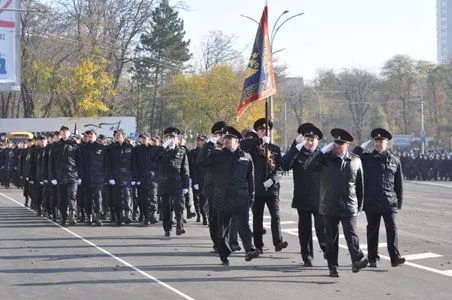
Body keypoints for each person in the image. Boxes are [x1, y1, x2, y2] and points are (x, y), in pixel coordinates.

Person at [305, 128, 368, 277]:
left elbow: (360, 186)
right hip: (329, 205)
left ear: (347, 145)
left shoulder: (355, 160)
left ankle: (357, 260)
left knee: (351, 235)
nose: (338, 146)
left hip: (349, 205)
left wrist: (359, 206)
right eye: (336, 143)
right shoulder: (325, 159)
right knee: (331, 239)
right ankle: (332, 267)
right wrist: (321, 152)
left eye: (341, 143)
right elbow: (308, 166)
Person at [198, 126, 260, 266]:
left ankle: (249, 249)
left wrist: (251, 197)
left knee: (244, 226)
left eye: (229, 138)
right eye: (225, 138)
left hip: (241, 197)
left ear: (237, 141)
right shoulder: (216, 155)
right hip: (223, 198)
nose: (226, 140)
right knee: (223, 229)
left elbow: (251, 179)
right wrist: (209, 143)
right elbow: (201, 162)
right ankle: (224, 255)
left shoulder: (246, 157)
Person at [354, 128, 406, 268]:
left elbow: (399, 184)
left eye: (381, 141)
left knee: (392, 230)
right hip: (371, 201)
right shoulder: (366, 158)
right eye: (376, 141)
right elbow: (353, 156)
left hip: (389, 202)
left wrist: (398, 203)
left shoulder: (395, 160)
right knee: (372, 230)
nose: (378, 143)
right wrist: (361, 146)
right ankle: (372, 258)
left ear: (387, 143)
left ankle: (395, 257)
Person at [240, 118, 288, 254]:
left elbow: (281, 169)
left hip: (272, 189)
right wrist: (260, 141)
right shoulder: (253, 148)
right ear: (257, 132)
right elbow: (242, 144)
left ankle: (278, 242)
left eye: (267, 130)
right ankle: (258, 245)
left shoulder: (275, 149)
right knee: (257, 218)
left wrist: (273, 180)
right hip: (258, 188)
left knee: (276, 216)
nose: (264, 132)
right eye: (261, 130)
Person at [281, 123, 326, 266]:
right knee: (304, 231)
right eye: (307, 139)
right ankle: (307, 257)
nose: (310, 142)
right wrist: (296, 147)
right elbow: (284, 165)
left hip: (320, 199)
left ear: (317, 141)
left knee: (322, 229)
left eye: (313, 140)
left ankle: (327, 251)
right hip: (303, 198)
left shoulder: (323, 155)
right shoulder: (297, 154)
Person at [156, 127, 190, 237]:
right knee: (166, 208)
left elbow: (185, 169)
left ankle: (180, 227)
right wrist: (163, 146)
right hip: (164, 183)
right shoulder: (161, 151)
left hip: (177, 183)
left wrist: (186, 185)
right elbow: (152, 158)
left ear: (177, 138)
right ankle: (167, 228)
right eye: (169, 137)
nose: (171, 139)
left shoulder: (182, 151)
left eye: (173, 137)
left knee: (179, 206)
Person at [49, 126, 82, 226]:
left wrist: (80, 175)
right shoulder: (56, 145)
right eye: (62, 132)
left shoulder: (75, 144)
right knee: (62, 198)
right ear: (60, 133)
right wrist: (53, 177)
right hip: (60, 176)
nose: (64, 133)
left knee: (72, 195)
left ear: (69, 133)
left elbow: (80, 161)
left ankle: (72, 215)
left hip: (73, 175)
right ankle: (63, 217)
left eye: (66, 132)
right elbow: (52, 163)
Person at [105, 129, 136, 225]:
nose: (117, 137)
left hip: (127, 177)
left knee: (127, 197)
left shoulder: (130, 147)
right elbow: (108, 164)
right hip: (115, 177)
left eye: (119, 135)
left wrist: (134, 178)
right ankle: (118, 217)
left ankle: (127, 216)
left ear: (123, 136)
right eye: (116, 135)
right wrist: (110, 177)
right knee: (117, 199)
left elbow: (134, 163)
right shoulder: (110, 148)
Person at [80, 129, 106, 226]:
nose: (90, 136)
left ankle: (98, 217)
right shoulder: (82, 148)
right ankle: (89, 216)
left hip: (99, 178)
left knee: (98, 197)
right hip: (86, 177)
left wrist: (105, 176)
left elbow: (105, 163)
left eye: (92, 134)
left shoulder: (102, 148)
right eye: (88, 135)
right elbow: (80, 163)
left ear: (96, 136)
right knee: (88, 198)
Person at [134, 133, 160, 225]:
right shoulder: (137, 149)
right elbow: (134, 164)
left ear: (149, 139)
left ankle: (152, 214)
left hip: (153, 178)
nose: (143, 140)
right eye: (142, 138)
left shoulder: (154, 149)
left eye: (145, 138)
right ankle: (145, 216)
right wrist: (136, 177)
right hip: (141, 178)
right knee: (142, 199)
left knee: (153, 197)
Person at [188, 135, 208, 224]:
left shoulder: (209, 152)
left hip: (206, 179)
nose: (200, 142)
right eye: (199, 140)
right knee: (197, 199)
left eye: (202, 141)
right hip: (196, 178)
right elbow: (192, 167)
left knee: (205, 199)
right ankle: (199, 214)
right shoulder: (193, 152)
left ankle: (205, 216)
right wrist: (194, 180)